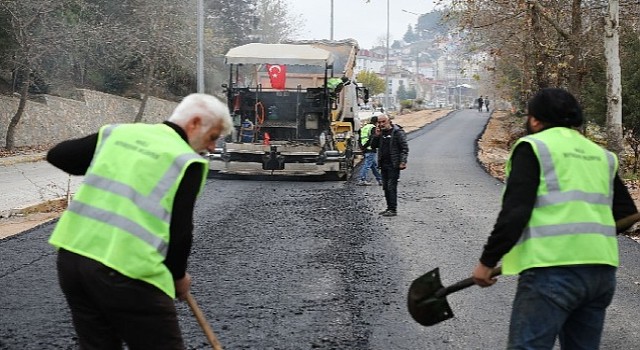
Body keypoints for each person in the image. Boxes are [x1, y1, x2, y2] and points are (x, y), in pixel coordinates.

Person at [47, 93, 233, 349]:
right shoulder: (184, 160)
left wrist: (115, 161)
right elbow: (179, 233)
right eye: (213, 137)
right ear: (195, 123)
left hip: (73, 262)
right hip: (127, 272)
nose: (212, 148)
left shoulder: (118, 134)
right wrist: (177, 277)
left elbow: (59, 155)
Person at [471, 88, 638, 349]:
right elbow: (627, 214)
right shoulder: (602, 155)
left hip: (551, 271)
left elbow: (515, 213)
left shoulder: (534, 147)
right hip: (601, 273)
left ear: (535, 120)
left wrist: (486, 262)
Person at [370, 114, 409, 217]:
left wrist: (403, 161)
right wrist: (376, 136)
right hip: (383, 164)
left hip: (394, 164)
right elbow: (373, 146)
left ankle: (393, 209)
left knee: (391, 186)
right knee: (386, 187)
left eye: (383, 122)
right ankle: (389, 208)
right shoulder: (381, 133)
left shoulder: (397, 132)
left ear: (389, 121)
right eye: (379, 122)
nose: (381, 124)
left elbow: (404, 148)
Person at [357, 114, 383, 186]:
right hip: (370, 149)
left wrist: (362, 148)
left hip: (365, 149)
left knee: (373, 165)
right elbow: (372, 139)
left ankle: (380, 179)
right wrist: (366, 147)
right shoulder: (373, 128)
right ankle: (362, 179)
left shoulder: (364, 127)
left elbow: (359, 139)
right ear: (376, 122)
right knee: (367, 165)